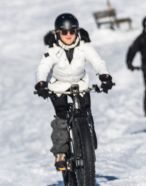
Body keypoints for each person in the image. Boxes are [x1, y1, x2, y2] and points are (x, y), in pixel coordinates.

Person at [35, 14, 113, 170]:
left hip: (80, 84)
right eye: (64, 32)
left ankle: (87, 141)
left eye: (72, 31)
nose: (69, 35)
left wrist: (105, 76)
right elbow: (43, 68)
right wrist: (41, 83)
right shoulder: (52, 49)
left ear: (77, 31)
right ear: (57, 33)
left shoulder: (84, 46)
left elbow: (97, 61)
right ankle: (61, 153)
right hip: (58, 87)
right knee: (62, 119)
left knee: (85, 113)